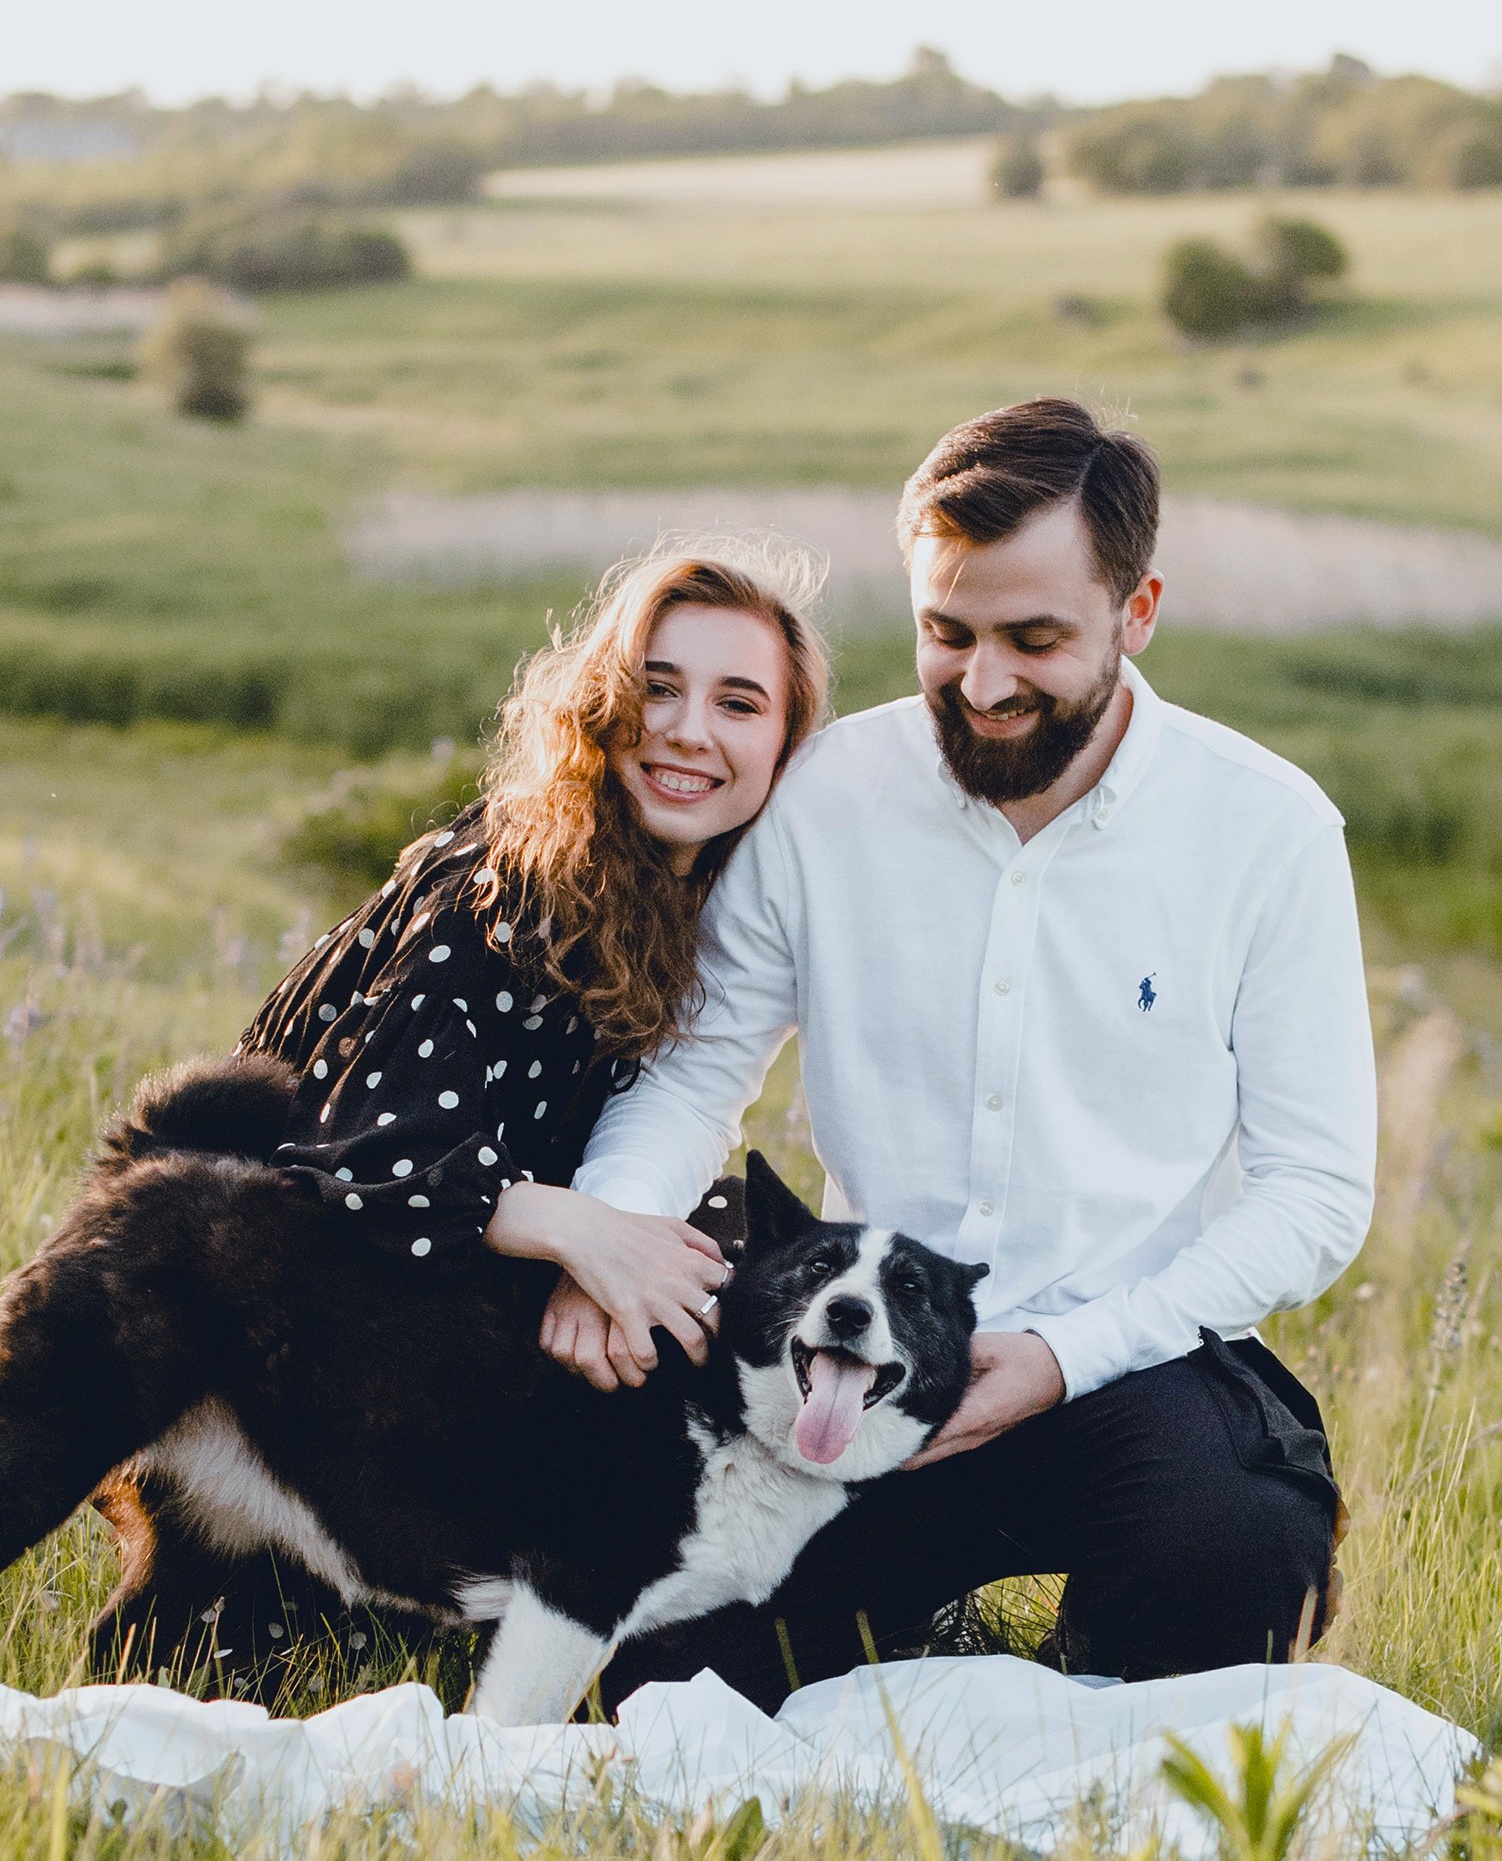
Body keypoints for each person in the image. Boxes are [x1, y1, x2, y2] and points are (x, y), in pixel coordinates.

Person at [544, 399, 1378, 1714]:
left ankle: (1097, 1667)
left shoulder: (1266, 830)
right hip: (853, 1362)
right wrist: (613, 1235)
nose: (982, 684)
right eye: (948, 633)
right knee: (656, 1681)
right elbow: (698, 1075)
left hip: (1130, 1359)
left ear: (1136, 609)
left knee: (1227, 1556)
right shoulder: (825, 797)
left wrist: (1060, 1357)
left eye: (1033, 640)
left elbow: (1316, 1193)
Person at [95, 546, 829, 1692]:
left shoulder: (692, 909)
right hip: (260, 1317)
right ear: (601, 706)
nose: (689, 728)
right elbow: (369, 1151)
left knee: (730, 1250)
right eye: (659, 686)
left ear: (785, 748)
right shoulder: (510, 882)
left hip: (414, 1306)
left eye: (739, 702)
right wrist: (588, 1235)